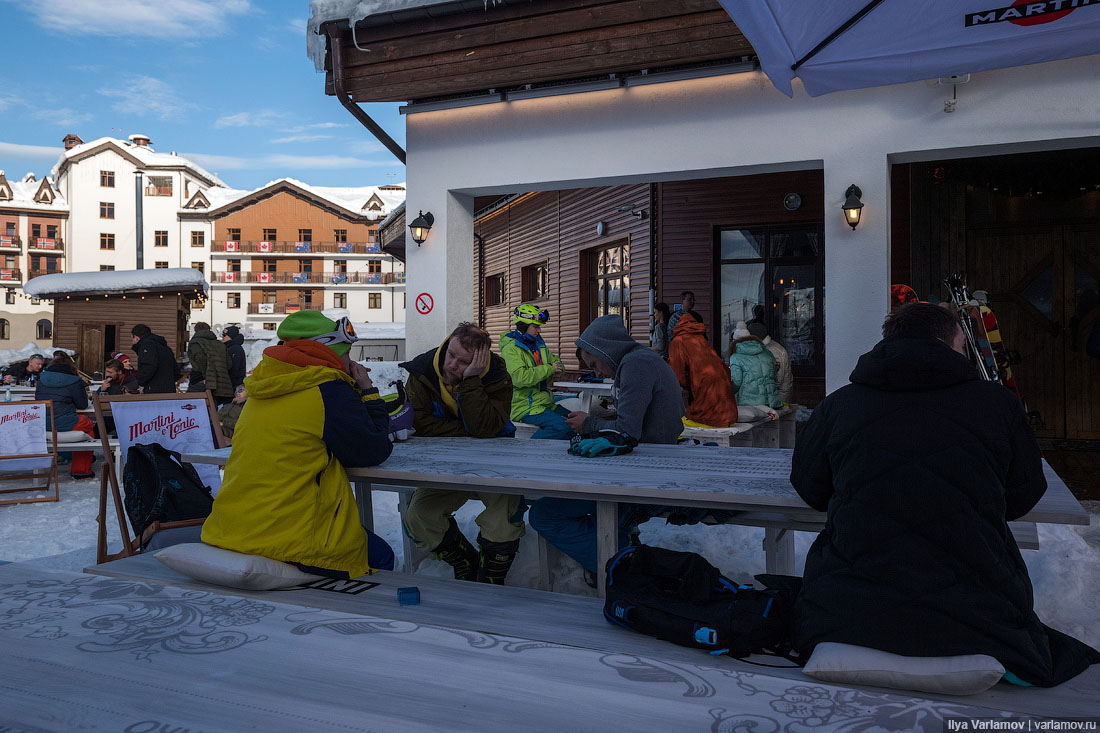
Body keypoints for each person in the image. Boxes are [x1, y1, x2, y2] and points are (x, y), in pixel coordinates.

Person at [792, 302, 1099, 687]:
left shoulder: (839, 404)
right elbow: (1022, 499)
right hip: (981, 612)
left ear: (888, 342)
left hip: (846, 608)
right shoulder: (999, 405)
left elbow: (810, 489)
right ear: (953, 342)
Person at [202, 311, 396, 577]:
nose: (350, 361)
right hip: (290, 539)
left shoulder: (262, 386)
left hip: (231, 527)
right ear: (327, 352)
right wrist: (368, 392)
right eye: (346, 353)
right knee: (381, 556)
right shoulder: (327, 390)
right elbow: (373, 449)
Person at [528, 314, 685, 579]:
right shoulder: (639, 360)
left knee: (545, 514)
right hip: (650, 460)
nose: (597, 372)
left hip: (643, 469)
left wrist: (590, 424)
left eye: (595, 364)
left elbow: (627, 432)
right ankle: (621, 549)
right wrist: (596, 420)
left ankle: (624, 569)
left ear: (606, 350)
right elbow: (635, 420)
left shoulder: (636, 365)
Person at [399, 322, 522, 584]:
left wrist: (471, 382)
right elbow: (419, 423)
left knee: (504, 519)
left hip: (496, 460)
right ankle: (463, 559)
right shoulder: (422, 371)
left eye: (463, 362)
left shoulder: (497, 375)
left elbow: (487, 426)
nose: (451, 364)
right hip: (445, 461)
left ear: (480, 362)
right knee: (419, 516)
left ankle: (492, 577)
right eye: (450, 354)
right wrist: (469, 430)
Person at [499, 304, 571, 440]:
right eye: (535, 327)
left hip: (544, 403)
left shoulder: (539, 344)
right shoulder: (511, 349)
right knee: (561, 426)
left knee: (577, 424)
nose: (539, 330)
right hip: (523, 406)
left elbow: (557, 362)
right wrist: (549, 369)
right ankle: (529, 452)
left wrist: (558, 371)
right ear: (523, 325)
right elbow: (519, 378)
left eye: (539, 326)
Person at [668, 311, 737, 427]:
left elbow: (677, 376)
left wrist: (690, 384)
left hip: (707, 406)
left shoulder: (678, 341)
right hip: (729, 410)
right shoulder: (700, 338)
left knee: (678, 426)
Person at [35, 354, 95, 479]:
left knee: (75, 427)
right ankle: (81, 470)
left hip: (42, 425)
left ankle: (66, 455)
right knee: (87, 425)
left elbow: (38, 400)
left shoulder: (41, 379)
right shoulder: (74, 381)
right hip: (64, 423)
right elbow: (83, 405)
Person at [728, 321, 783, 409]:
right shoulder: (767, 353)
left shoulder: (736, 357)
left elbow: (736, 383)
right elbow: (774, 376)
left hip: (749, 404)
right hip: (772, 402)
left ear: (735, 341)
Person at [186, 322, 233, 404]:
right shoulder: (220, 344)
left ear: (196, 330)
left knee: (191, 405)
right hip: (220, 382)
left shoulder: (195, 343)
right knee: (212, 405)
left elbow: (200, 360)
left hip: (200, 379)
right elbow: (229, 364)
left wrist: (205, 377)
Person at [746, 322, 793, 404]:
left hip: (774, 398)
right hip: (775, 397)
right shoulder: (775, 349)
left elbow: (778, 380)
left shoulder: (773, 352)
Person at [131, 324, 177, 394]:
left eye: (132, 338)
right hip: (168, 387)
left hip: (153, 388)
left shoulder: (146, 345)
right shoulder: (164, 347)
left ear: (136, 337)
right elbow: (175, 369)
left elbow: (149, 365)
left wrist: (142, 382)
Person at [222, 325, 246, 389]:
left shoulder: (235, 349)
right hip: (232, 384)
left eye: (224, 335)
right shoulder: (230, 347)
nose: (222, 337)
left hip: (233, 384)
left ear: (231, 337)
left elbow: (234, 368)